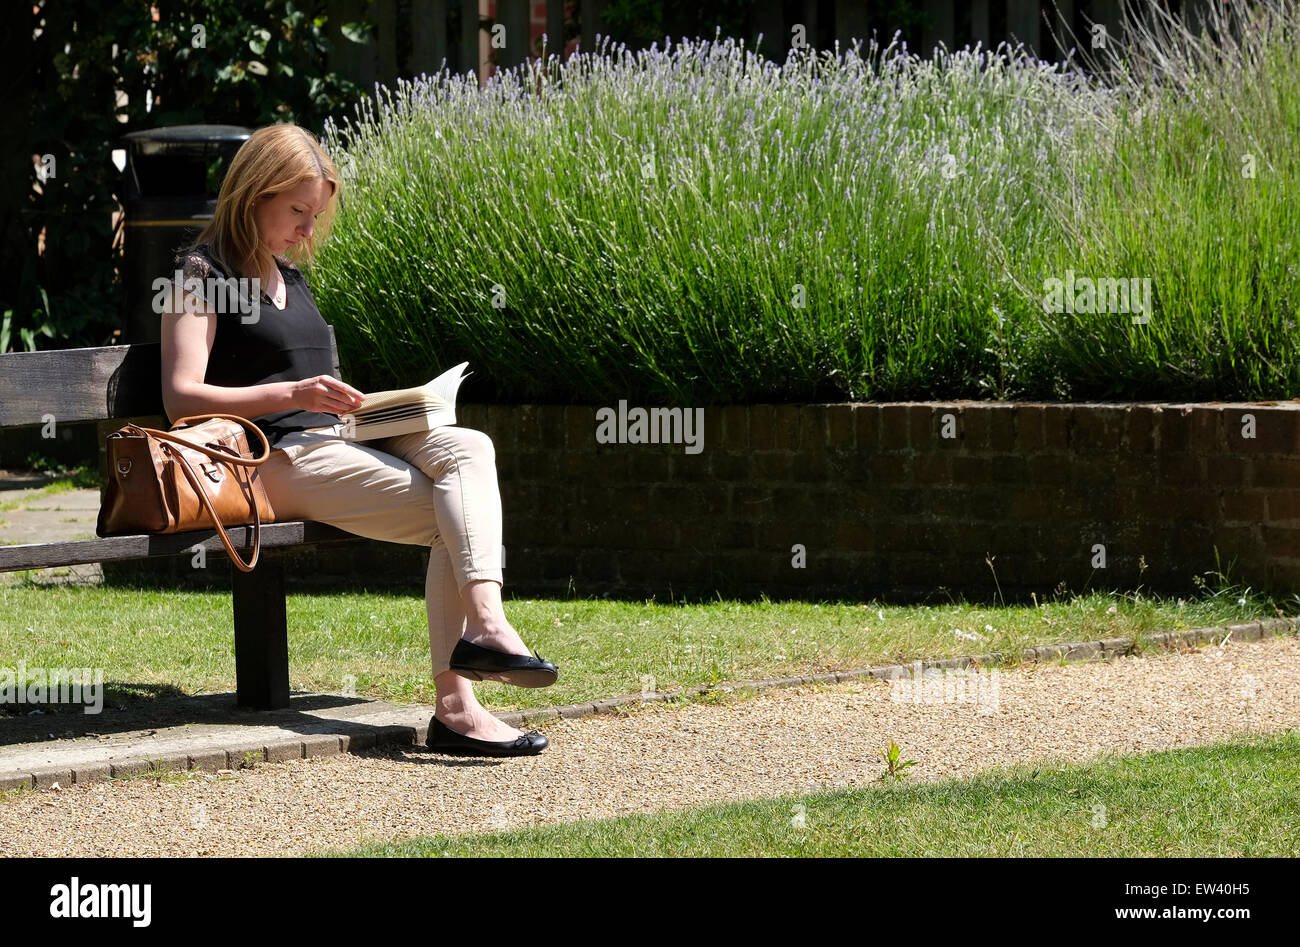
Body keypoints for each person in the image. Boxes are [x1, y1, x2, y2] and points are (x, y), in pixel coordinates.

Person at [159, 123, 556, 757]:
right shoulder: (197, 274)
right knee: (455, 517)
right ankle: (458, 704)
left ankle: (486, 627)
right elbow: (182, 396)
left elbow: (317, 383)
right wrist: (295, 396)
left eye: (315, 216)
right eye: (297, 211)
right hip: (276, 461)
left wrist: (373, 409)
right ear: (254, 193)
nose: (308, 230)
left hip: (337, 438)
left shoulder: (293, 277)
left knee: (469, 447)